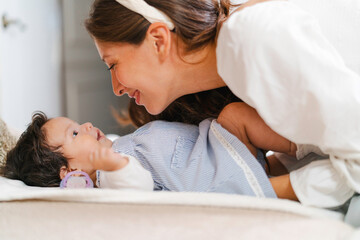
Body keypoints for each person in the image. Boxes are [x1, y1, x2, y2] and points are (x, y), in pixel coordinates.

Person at [84, 0, 360, 208]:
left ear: (158, 40)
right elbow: (319, 142)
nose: (116, 88)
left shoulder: (252, 40)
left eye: (113, 64)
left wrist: (252, 190)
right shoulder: (232, 72)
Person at [1, 102, 303, 200]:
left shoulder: (117, 146)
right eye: (76, 132)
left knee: (235, 115)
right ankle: (306, 159)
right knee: (282, 182)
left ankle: (304, 143)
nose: (88, 124)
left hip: (218, 148)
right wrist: (114, 165)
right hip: (218, 179)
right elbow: (137, 186)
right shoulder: (108, 178)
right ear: (70, 173)